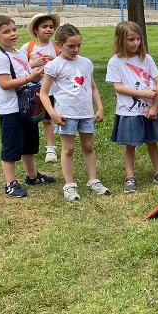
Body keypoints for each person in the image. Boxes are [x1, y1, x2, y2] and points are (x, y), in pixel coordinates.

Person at [0, 15, 55, 198]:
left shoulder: (19, 53)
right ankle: (10, 183)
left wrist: (36, 74)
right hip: (10, 110)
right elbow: (5, 83)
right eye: (6, 32)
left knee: (29, 144)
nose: (12, 34)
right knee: (11, 146)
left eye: (14, 29)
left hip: (27, 107)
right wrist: (29, 78)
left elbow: (25, 73)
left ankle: (32, 176)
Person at [39, 24, 108, 201]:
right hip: (66, 115)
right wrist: (53, 114)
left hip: (86, 113)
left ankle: (93, 180)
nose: (75, 49)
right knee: (68, 149)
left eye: (78, 45)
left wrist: (99, 107)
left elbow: (92, 87)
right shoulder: (54, 66)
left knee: (88, 147)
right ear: (58, 45)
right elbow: (44, 93)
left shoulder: (86, 63)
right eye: (71, 46)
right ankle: (69, 185)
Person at [106, 21, 158, 193]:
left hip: (148, 109)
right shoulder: (115, 62)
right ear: (121, 40)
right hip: (128, 111)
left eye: (138, 39)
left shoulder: (146, 59)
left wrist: (154, 107)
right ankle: (129, 176)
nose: (136, 43)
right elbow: (118, 87)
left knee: (152, 141)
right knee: (130, 144)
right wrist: (143, 94)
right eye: (131, 40)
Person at [22, 12, 60, 163]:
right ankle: (27, 148)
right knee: (29, 119)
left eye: (51, 27)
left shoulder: (56, 47)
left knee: (47, 119)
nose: (49, 29)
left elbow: (63, 66)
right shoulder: (28, 47)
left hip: (49, 90)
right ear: (36, 29)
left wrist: (53, 61)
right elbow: (21, 67)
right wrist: (34, 65)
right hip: (31, 90)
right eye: (44, 26)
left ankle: (51, 149)